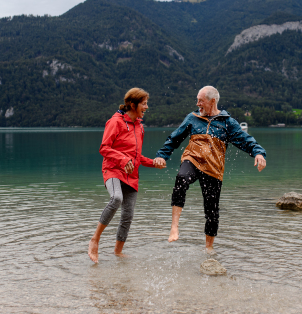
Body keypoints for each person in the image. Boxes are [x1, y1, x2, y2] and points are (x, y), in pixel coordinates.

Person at [154, 86, 266, 252]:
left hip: (213, 169)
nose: (198, 103)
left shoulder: (227, 122)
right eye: (197, 100)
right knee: (182, 178)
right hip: (192, 160)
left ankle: (209, 249)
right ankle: (174, 227)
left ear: (212, 101)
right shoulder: (192, 118)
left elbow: (246, 140)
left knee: (212, 211)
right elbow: (174, 138)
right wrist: (162, 155)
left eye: (201, 100)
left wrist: (259, 153)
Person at [88, 87, 165, 263]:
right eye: (144, 104)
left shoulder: (140, 127)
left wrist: (153, 162)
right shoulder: (115, 122)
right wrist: (123, 160)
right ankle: (95, 240)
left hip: (132, 175)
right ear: (132, 104)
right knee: (116, 198)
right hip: (113, 170)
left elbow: (136, 157)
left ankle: (118, 252)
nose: (146, 107)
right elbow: (104, 148)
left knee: (128, 215)